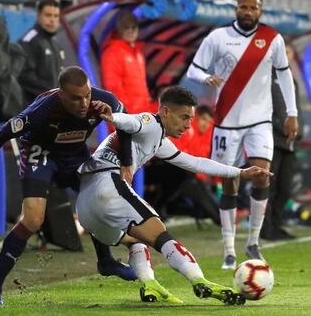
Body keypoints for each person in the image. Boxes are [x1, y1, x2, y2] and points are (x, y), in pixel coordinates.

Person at [76, 85, 271, 305]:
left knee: (136, 239)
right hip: (107, 187)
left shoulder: (159, 140)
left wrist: (241, 172)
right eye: (184, 117)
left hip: (86, 207)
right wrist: (114, 117)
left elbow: (195, 163)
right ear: (166, 111)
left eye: (191, 119)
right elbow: (131, 122)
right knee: (161, 235)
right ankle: (200, 281)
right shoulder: (150, 123)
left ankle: (149, 284)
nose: (188, 125)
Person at [0, 66, 136, 305]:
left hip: (75, 155)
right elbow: (3, 133)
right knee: (32, 220)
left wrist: (126, 164)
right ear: (61, 94)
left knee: (97, 204)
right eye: (76, 98)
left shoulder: (104, 100)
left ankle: (105, 262)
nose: (84, 103)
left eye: (86, 95)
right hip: (41, 154)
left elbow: (126, 127)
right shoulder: (42, 111)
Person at [186, 0, 298, 269]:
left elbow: (284, 75)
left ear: (261, 11)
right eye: (243, 6)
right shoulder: (218, 37)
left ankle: (253, 243)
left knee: (262, 176)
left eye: (253, 8)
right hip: (226, 122)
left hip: (261, 121)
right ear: (236, 8)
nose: (248, 11)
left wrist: (292, 113)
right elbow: (193, 70)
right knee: (229, 183)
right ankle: (228, 249)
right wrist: (207, 77)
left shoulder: (273, 38)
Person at [261, 45, 304, 240]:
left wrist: (299, 130)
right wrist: (283, 128)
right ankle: (266, 228)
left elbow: (296, 110)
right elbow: (266, 109)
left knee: (285, 189)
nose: (285, 56)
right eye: (282, 52)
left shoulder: (292, 81)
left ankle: (277, 225)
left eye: (288, 52)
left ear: (292, 55)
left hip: (290, 143)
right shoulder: (267, 77)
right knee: (269, 187)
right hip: (273, 140)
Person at [101, 10, 157, 114]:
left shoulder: (138, 54)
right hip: (128, 118)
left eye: (134, 27)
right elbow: (113, 88)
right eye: (126, 27)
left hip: (141, 117)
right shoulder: (112, 52)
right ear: (119, 30)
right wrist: (126, 115)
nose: (130, 30)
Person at [19, 0, 65, 104]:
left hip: (51, 106)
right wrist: (53, 93)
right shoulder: (29, 41)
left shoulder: (56, 45)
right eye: (48, 15)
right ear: (38, 16)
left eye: (56, 16)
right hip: (32, 108)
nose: (52, 20)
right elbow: (24, 77)